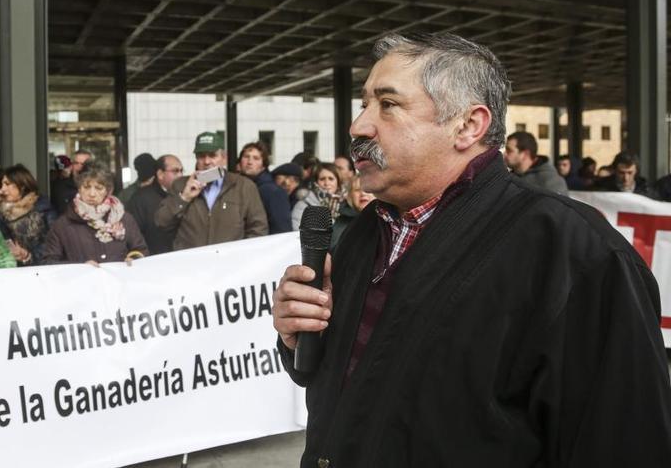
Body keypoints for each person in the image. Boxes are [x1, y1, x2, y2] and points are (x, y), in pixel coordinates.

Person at [271, 33, 671, 467]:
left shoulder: (576, 254)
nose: (359, 125)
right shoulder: (369, 228)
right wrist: (300, 338)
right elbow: (363, 377)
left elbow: (624, 441)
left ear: (467, 126)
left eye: (387, 104)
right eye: (364, 104)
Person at [154, 131, 268, 250]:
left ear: (224, 158)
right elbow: (161, 223)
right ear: (196, 159)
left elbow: (258, 229)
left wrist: (241, 256)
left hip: (231, 264)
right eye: (202, 156)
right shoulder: (180, 185)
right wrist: (184, 198)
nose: (207, 162)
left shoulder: (243, 186)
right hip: (190, 264)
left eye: (213, 155)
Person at [43, 164, 148, 264]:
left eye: (98, 188)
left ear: (108, 191)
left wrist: (133, 260)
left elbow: (141, 250)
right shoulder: (63, 225)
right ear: (79, 189)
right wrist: (79, 267)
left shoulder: (124, 219)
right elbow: (50, 261)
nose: (92, 194)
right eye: (86, 187)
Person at [0, 164, 55, 266]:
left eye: (7, 184)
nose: (2, 189)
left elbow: (53, 243)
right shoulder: (1, 214)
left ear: (22, 186)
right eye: (2, 185)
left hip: (43, 268)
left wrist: (29, 256)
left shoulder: (43, 210)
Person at [128, 154, 184, 255]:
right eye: (175, 171)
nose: (180, 175)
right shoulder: (141, 198)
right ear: (160, 174)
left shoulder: (186, 195)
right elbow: (134, 235)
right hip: (153, 261)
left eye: (181, 171)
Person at [238, 141, 292, 234]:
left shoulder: (272, 191)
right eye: (246, 157)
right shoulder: (241, 186)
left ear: (263, 165)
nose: (250, 162)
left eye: (256, 158)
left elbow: (281, 229)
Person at [503, 131, 568, 195]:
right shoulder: (508, 178)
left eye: (509, 150)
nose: (504, 154)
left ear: (525, 154)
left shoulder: (551, 182)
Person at [291, 163, 343, 230]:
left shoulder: (345, 204)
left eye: (331, 179)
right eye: (322, 179)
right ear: (315, 182)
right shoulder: (303, 205)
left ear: (338, 182)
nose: (326, 183)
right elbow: (297, 232)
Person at [330, 174, 376, 251]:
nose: (363, 193)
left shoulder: (385, 220)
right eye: (357, 190)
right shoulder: (341, 222)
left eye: (367, 189)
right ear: (350, 195)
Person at [51, 149, 92, 213]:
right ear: (71, 165)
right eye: (76, 163)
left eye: (83, 164)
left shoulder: (98, 187)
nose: (79, 167)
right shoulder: (60, 185)